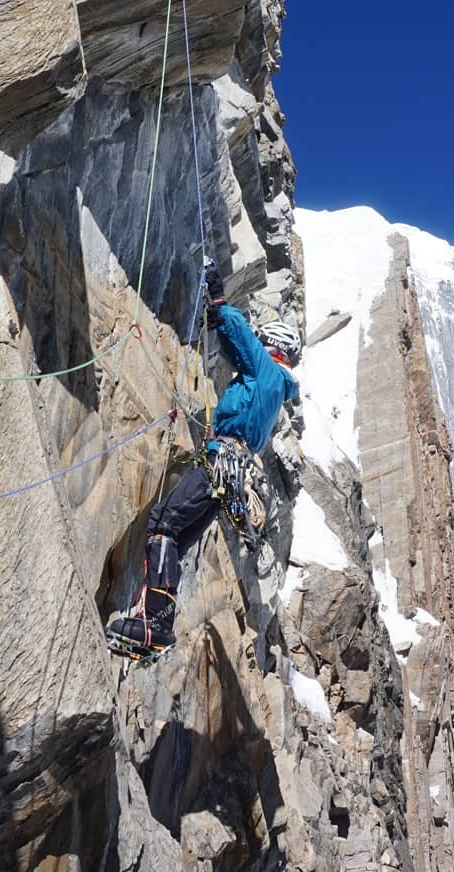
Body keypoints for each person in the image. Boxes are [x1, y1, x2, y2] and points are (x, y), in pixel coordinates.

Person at [107, 260, 300, 662]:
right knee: (172, 536)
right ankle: (156, 626)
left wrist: (218, 299)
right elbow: (238, 349)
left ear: (274, 347)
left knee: (163, 524)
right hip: (230, 475)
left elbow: (240, 337)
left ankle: (155, 623)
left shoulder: (267, 371)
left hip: (220, 465)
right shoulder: (275, 391)